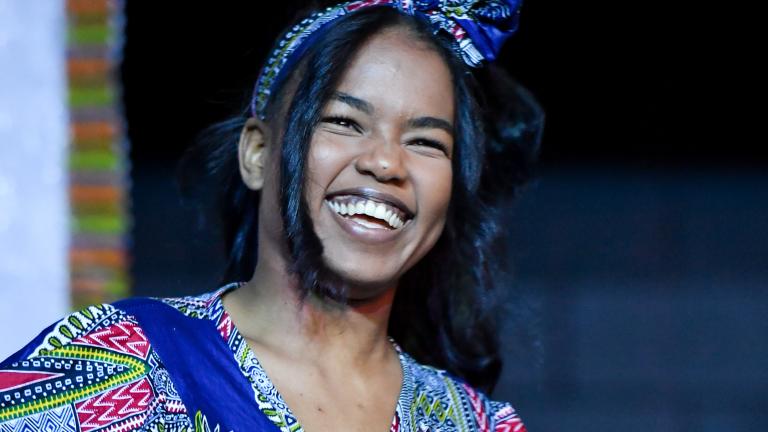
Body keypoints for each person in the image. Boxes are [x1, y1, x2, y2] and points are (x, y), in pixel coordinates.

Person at [0, 1, 544, 430]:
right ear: (258, 152)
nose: (386, 162)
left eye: (427, 141)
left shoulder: (473, 422)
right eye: (345, 122)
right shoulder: (124, 366)